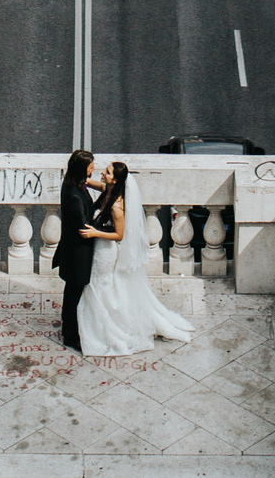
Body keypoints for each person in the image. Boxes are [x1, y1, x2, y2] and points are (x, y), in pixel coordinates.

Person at [74, 161, 196, 357]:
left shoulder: (116, 206)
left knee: (100, 287)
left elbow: (119, 235)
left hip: (106, 251)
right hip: (99, 248)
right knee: (100, 287)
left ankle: (109, 329)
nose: (102, 174)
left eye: (107, 172)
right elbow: (90, 182)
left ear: (115, 179)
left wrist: (95, 233)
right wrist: (79, 177)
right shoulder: (107, 189)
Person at [56, 149, 100, 352]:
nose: (94, 168)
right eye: (91, 165)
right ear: (83, 168)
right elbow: (85, 226)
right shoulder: (75, 196)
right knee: (75, 294)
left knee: (71, 292)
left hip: (71, 251)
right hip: (78, 254)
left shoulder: (71, 185)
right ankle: (71, 336)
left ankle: (69, 330)